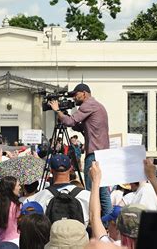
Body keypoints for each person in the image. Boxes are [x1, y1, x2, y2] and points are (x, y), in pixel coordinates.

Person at [48, 83, 111, 216]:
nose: (74, 98)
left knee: (91, 191)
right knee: (102, 190)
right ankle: (107, 219)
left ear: (84, 93)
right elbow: (82, 127)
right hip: (103, 153)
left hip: (94, 154)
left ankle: (94, 221)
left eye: (76, 95)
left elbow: (70, 122)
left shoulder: (88, 104)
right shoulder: (98, 106)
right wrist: (66, 116)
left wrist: (57, 110)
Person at [32, 154, 90, 226]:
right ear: (71, 168)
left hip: (52, 236)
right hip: (80, 236)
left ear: (50, 170)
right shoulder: (88, 196)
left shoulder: (37, 198)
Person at [0, 176, 21, 244]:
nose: (20, 187)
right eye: (18, 185)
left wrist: (2, 232)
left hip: (1, 242)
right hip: (17, 242)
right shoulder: (18, 206)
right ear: (11, 189)